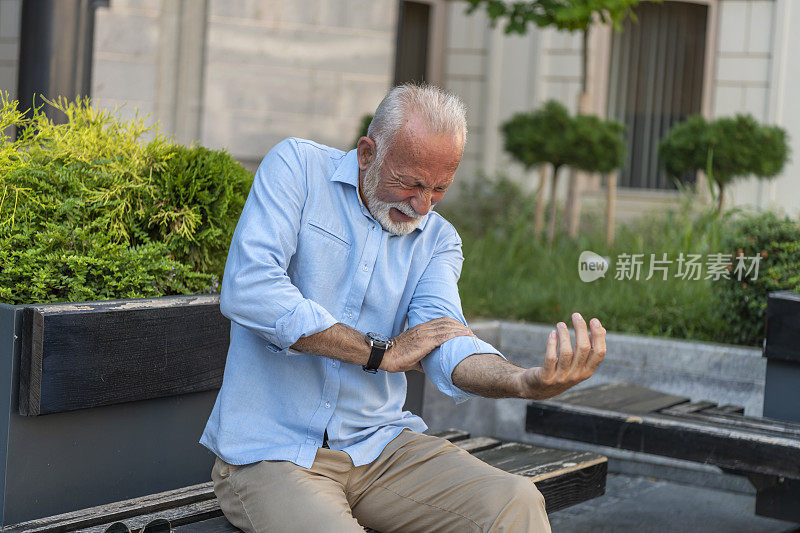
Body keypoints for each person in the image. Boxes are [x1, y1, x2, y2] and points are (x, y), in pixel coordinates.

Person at [199, 84, 606, 532]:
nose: (422, 205)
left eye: (439, 189)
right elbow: (249, 286)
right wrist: (378, 351)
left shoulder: (438, 240)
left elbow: (445, 340)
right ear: (367, 153)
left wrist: (524, 381)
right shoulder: (297, 167)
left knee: (515, 502)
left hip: (381, 448)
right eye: (411, 183)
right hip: (273, 453)